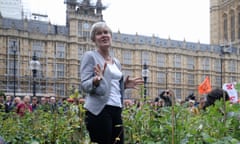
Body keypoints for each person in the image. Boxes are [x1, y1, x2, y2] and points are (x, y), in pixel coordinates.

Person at [80, 21, 144, 144]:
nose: (104, 35)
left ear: (111, 36)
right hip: (100, 110)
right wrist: (95, 80)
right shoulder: (90, 56)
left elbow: (111, 86)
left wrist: (123, 86)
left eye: (106, 32)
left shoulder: (116, 62)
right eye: (99, 33)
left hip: (116, 109)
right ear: (94, 39)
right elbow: (84, 85)